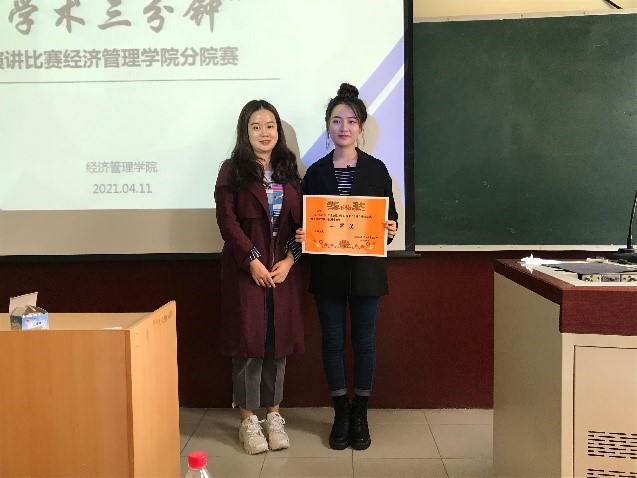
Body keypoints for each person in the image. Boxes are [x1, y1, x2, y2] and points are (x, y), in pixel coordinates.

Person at [296, 83, 398, 450]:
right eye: (337, 120)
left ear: (361, 127)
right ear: (328, 126)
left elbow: (389, 218)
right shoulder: (316, 172)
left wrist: (390, 228)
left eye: (351, 121)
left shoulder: (376, 169)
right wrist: (304, 233)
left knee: (364, 343)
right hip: (328, 272)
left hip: (367, 272)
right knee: (333, 342)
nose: (344, 127)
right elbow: (306, 221)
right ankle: (340, 411)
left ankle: (361, 412)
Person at [215, 99, 304, 455]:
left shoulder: (288, 169)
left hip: (283, 271)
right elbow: (227, 221)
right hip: (244, 271)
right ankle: (248, 420)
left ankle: (274, 415)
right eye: (256, 127)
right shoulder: (231, 170)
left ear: (278, 130)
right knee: (248, 344)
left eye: (270, 126)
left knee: (277, 344)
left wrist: (291, 260)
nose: (264, 133)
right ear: (245, 131)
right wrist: (251, 259)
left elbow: (303, 225)